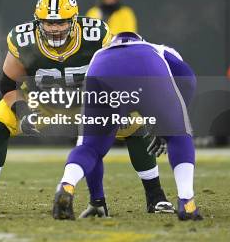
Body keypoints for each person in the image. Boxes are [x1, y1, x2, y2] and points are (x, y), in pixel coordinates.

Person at [0, 0, 173, 215]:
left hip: (90, 102)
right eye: (48, 22)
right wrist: (23, 112)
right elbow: (8, 85)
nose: (55, 28)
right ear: (37, 22)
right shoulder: (23, 40)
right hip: (44, 102)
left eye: (61, 22)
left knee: (134, 124)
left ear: (74, 20)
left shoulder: (95, 35)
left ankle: (156, 197)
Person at [52, 32, 202, 221]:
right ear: (140, 40)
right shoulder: (158, 50)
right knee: (180, 134)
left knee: (90, 147)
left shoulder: (99, 54)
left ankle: (67, 185)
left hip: (102, 71)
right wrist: (169, 125)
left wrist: (97, 200)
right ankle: (187, 201)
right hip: (148, 69)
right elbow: (188, 79)